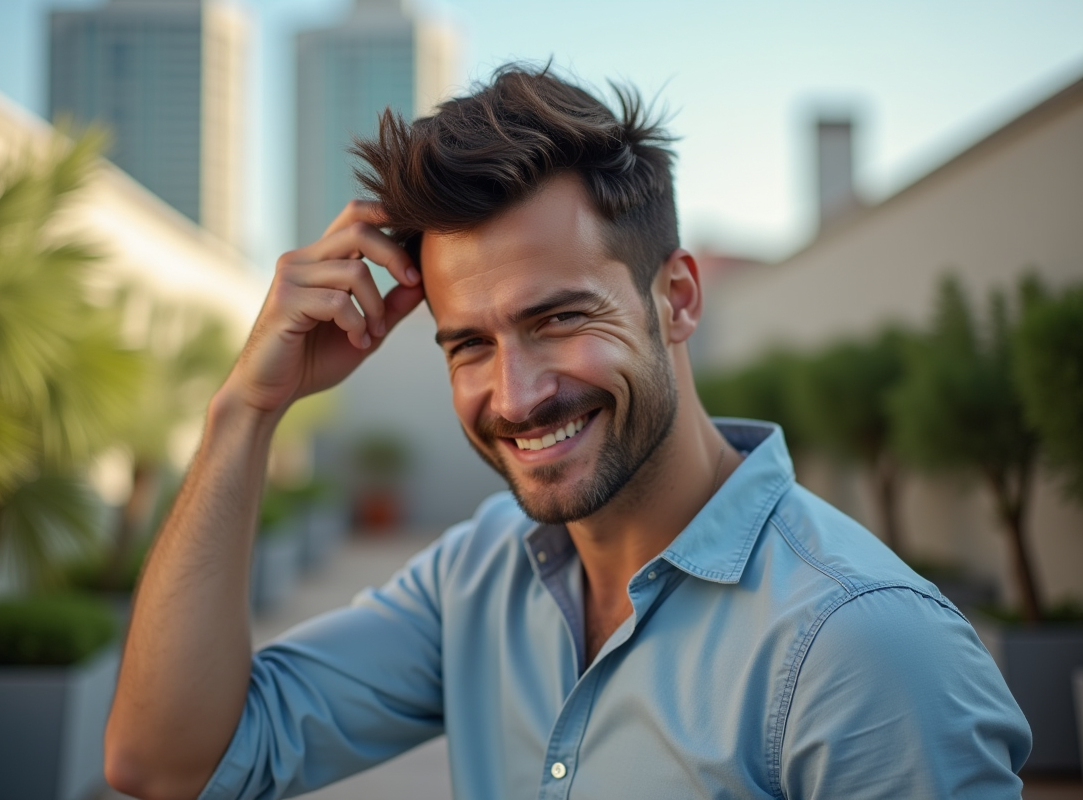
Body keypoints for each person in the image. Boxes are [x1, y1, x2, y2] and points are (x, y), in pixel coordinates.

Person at [104, 66, 1032, 800]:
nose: (516, 397)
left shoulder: (867, 649)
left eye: (557, 319)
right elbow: (166, 763)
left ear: (677, 298)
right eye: (470, 345)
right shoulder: (478, 575)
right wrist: (245, 411)